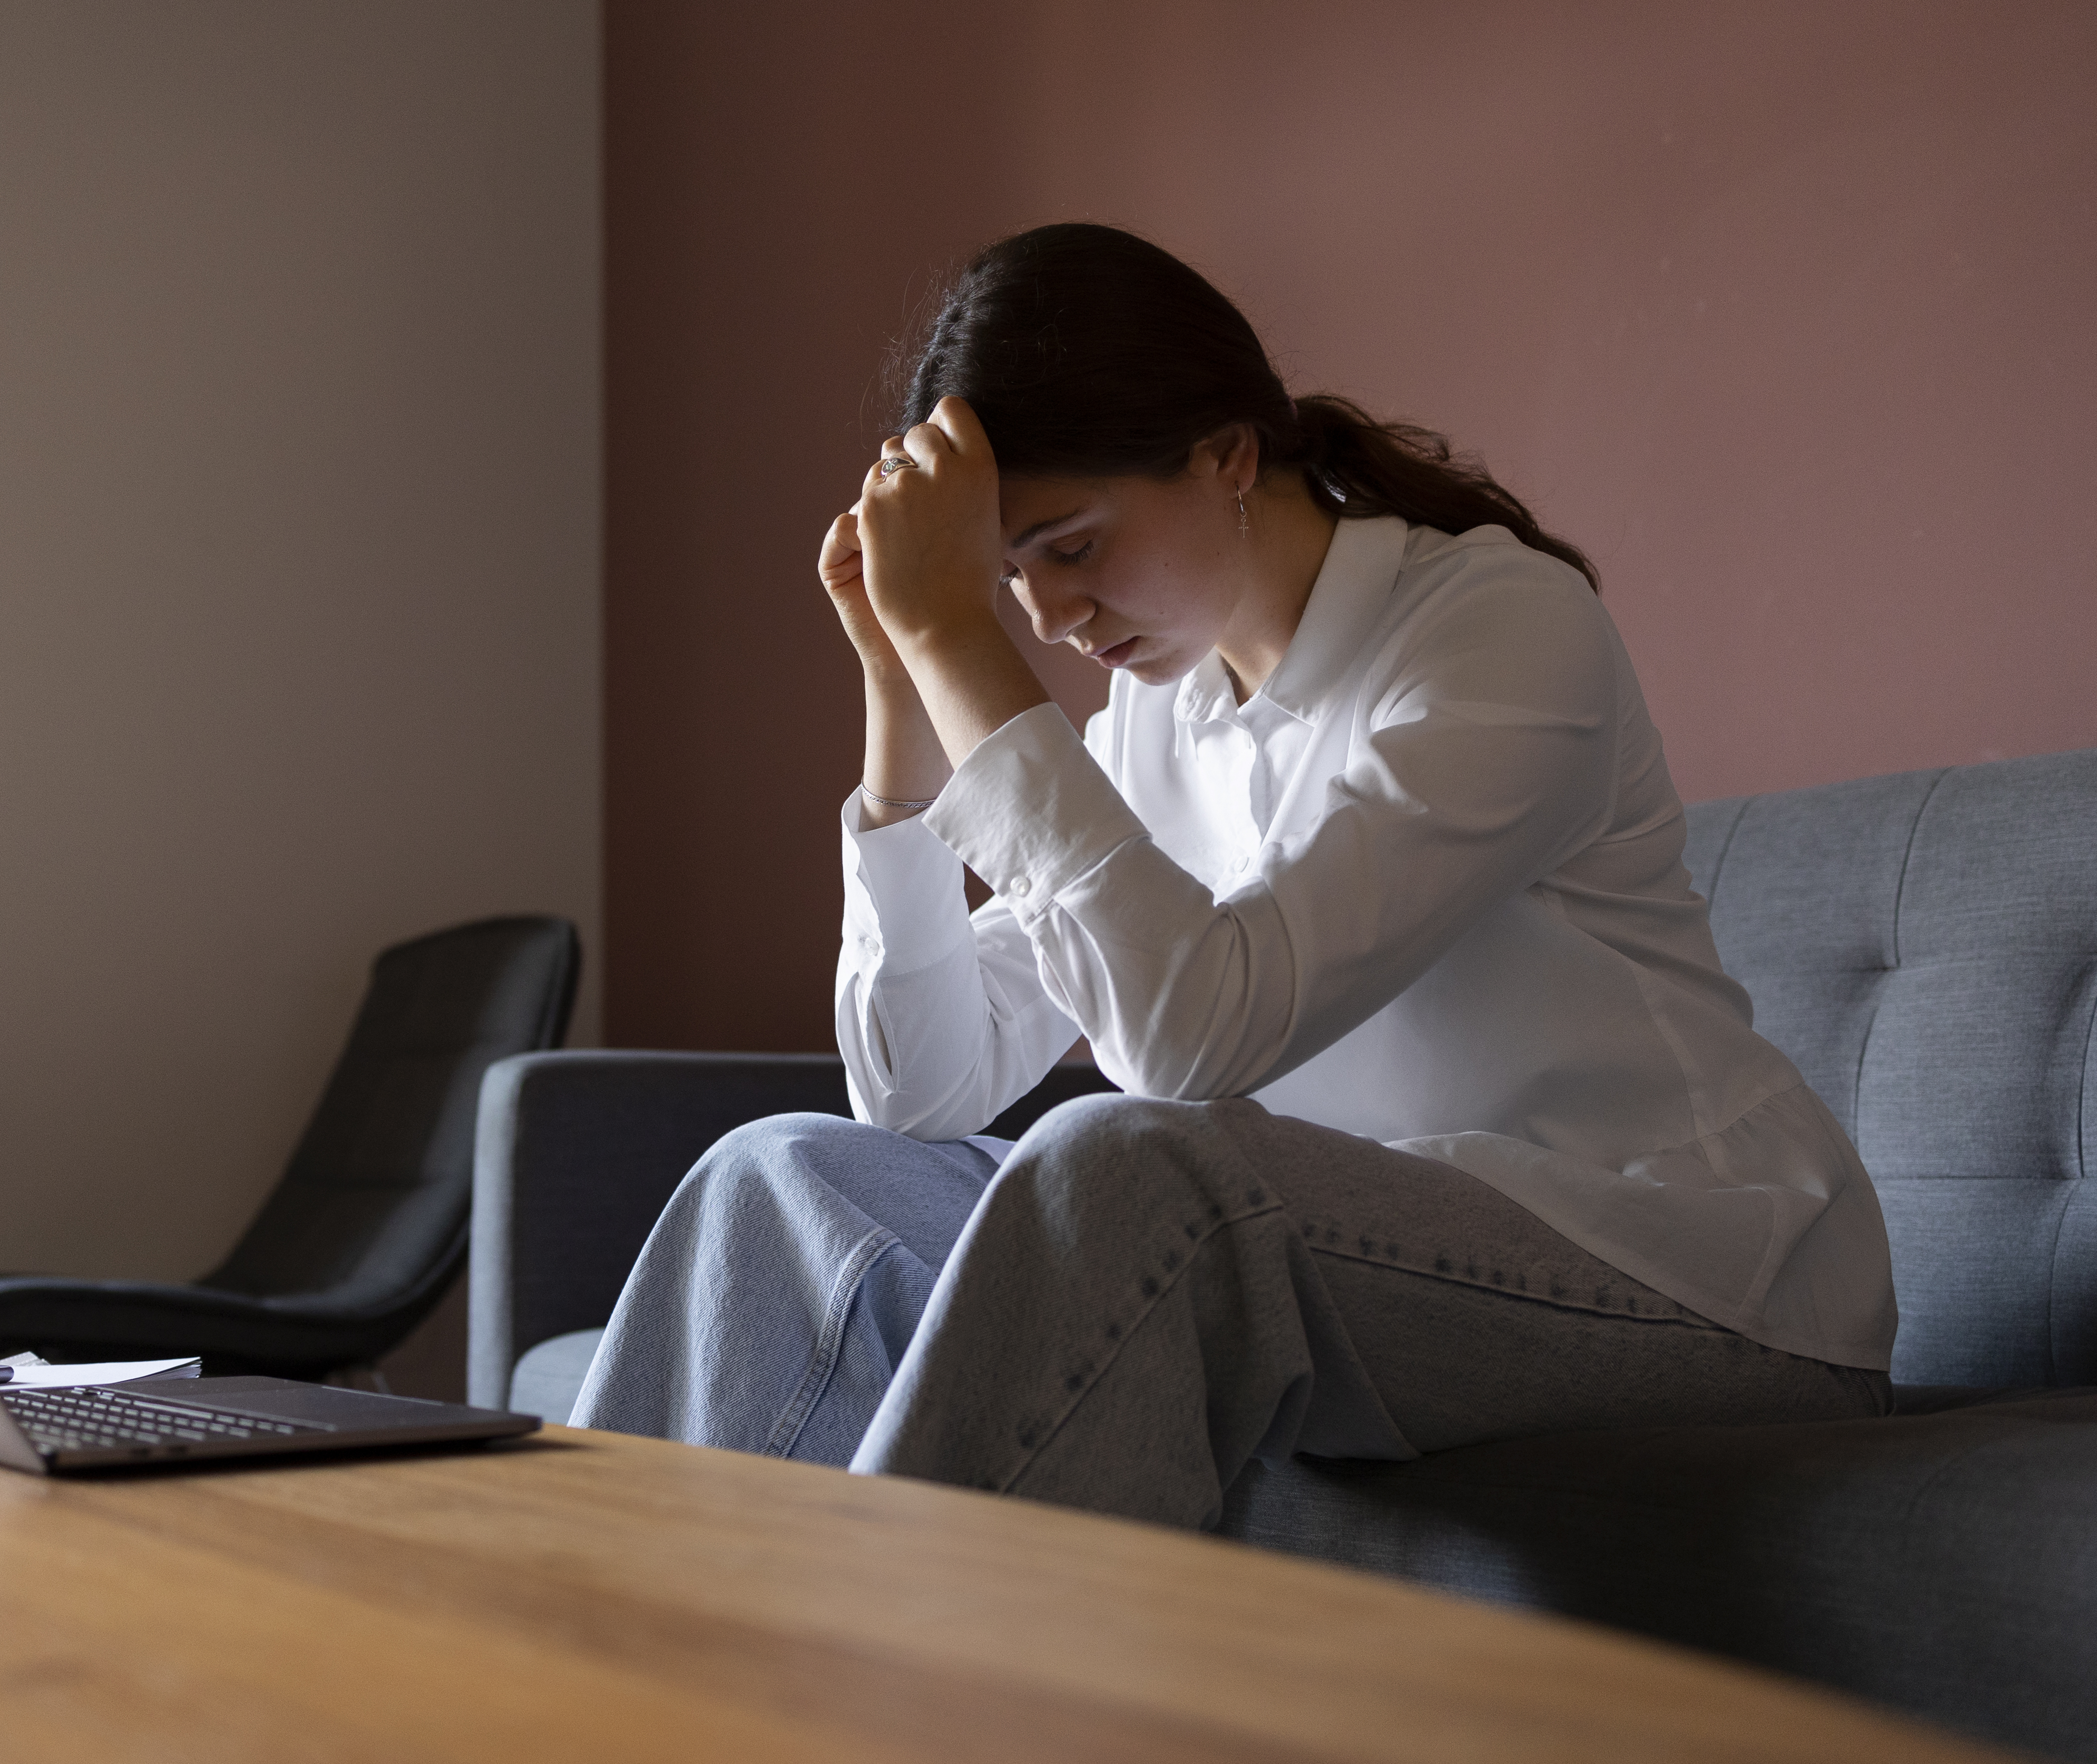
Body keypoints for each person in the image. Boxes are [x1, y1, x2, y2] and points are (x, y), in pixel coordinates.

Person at [570, 222, 1894, 1530]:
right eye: (1006, 575)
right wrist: (904, 686)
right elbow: (917, 1087)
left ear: (1225, 456)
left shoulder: (1495, 633)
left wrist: (959, 638)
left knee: (1135, 1162)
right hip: (1359, 1271)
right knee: (782, 1175)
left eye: (1073, 545)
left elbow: (1193, 1040)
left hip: (1692, 1278)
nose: (1045, 619)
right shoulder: (1161, 715)